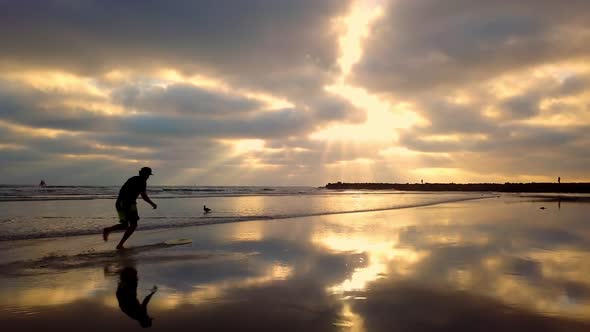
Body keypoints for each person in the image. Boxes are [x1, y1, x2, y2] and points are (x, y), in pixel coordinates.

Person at [103, 167, 157, 249]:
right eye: (147, 175)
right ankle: (120, 244)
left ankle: (109, 230)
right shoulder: (142, 181)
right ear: (143, 174)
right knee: (133, 224)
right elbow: (144, 196)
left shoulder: (132, 178)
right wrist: (152, 203)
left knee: (125, 225)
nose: (147, 177)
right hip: (128, 204)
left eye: (148, 175)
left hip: (119, 203)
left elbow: (123, 191)